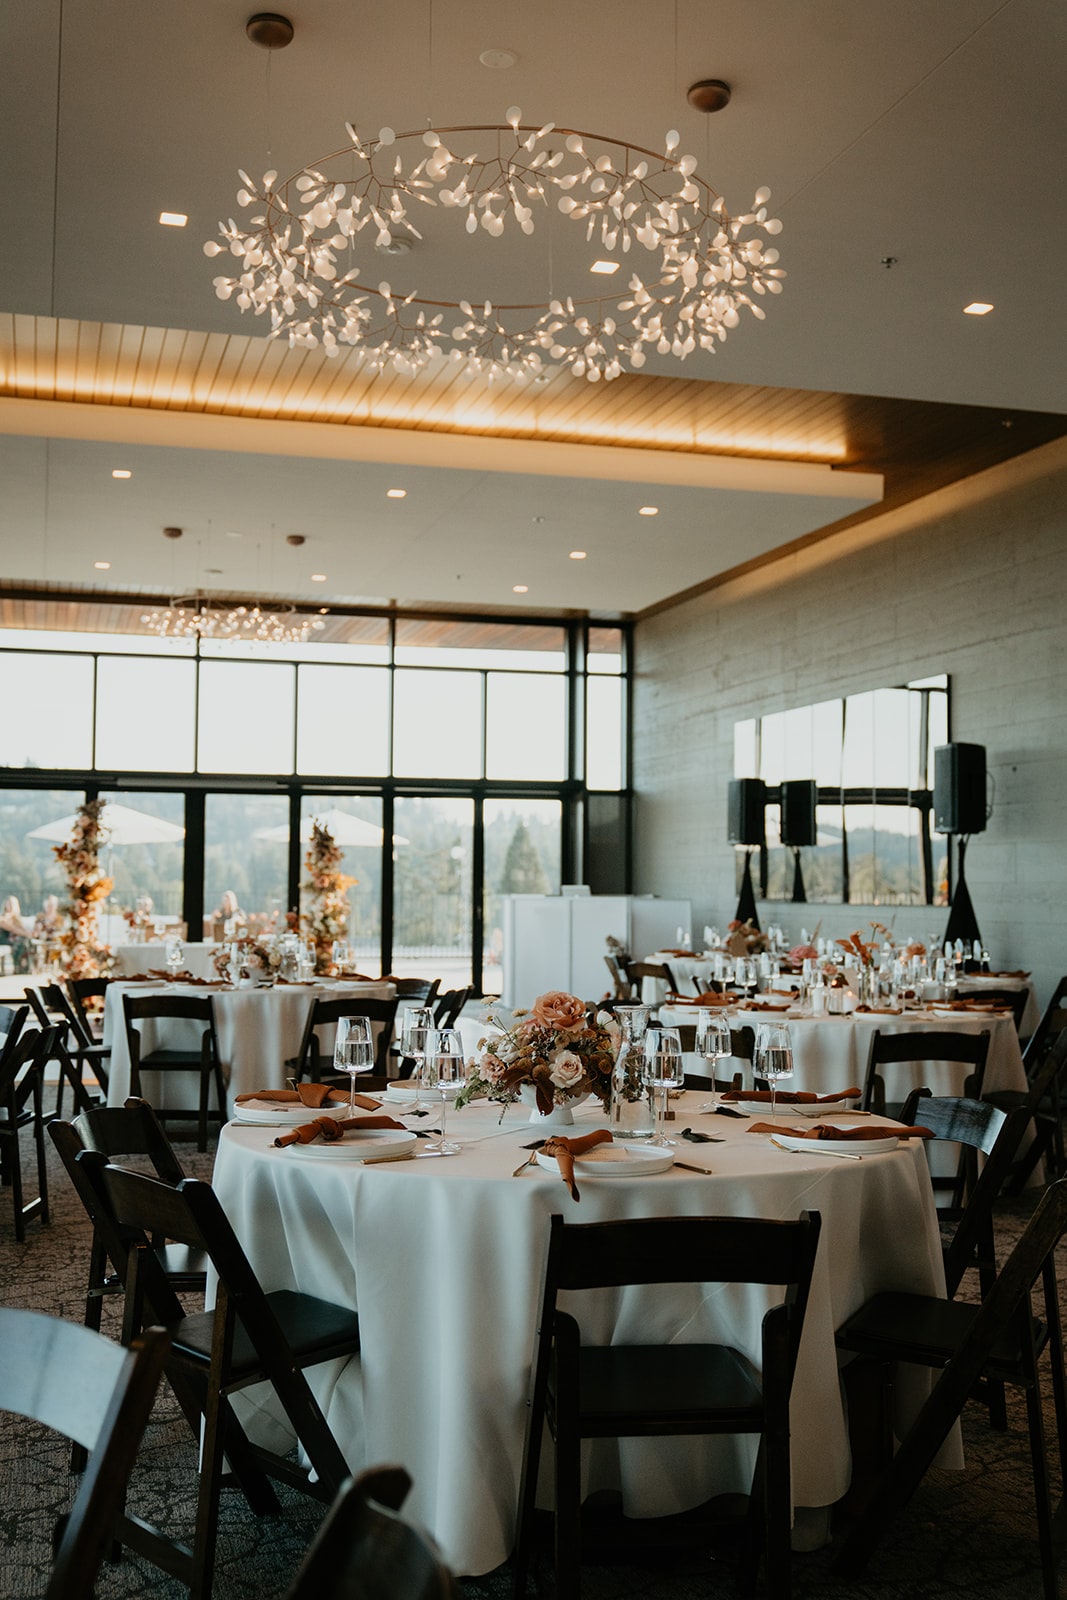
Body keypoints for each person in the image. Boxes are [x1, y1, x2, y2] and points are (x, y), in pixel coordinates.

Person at [0, 896, 34, 973]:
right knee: (22, 941)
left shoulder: (17, 919)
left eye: (13, 904)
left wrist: (29, 933)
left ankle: (25, 966)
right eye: (9, 903)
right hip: (4, 939)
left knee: (25, 941)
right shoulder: (2, 918)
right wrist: (26, 933)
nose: (11, 906)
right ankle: (22, 966)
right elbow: (12, 929)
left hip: (15, 940)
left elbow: (22, 929)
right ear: (5, 905)